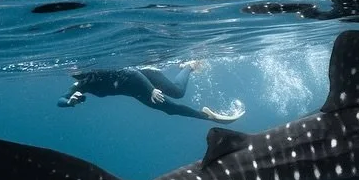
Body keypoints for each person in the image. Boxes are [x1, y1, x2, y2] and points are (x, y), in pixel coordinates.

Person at [58, 59, 244, 122]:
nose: (75, 74)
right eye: (72, 73)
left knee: (178, 92)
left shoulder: (98, 71)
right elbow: (60, 101)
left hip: (143, 75)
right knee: (169, 109)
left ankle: (189, 66)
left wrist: (151, 90)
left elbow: (130, 71)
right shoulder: (82, 85)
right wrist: (69, 102)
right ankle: (208, 117)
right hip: (134, 89)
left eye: (77, 70)